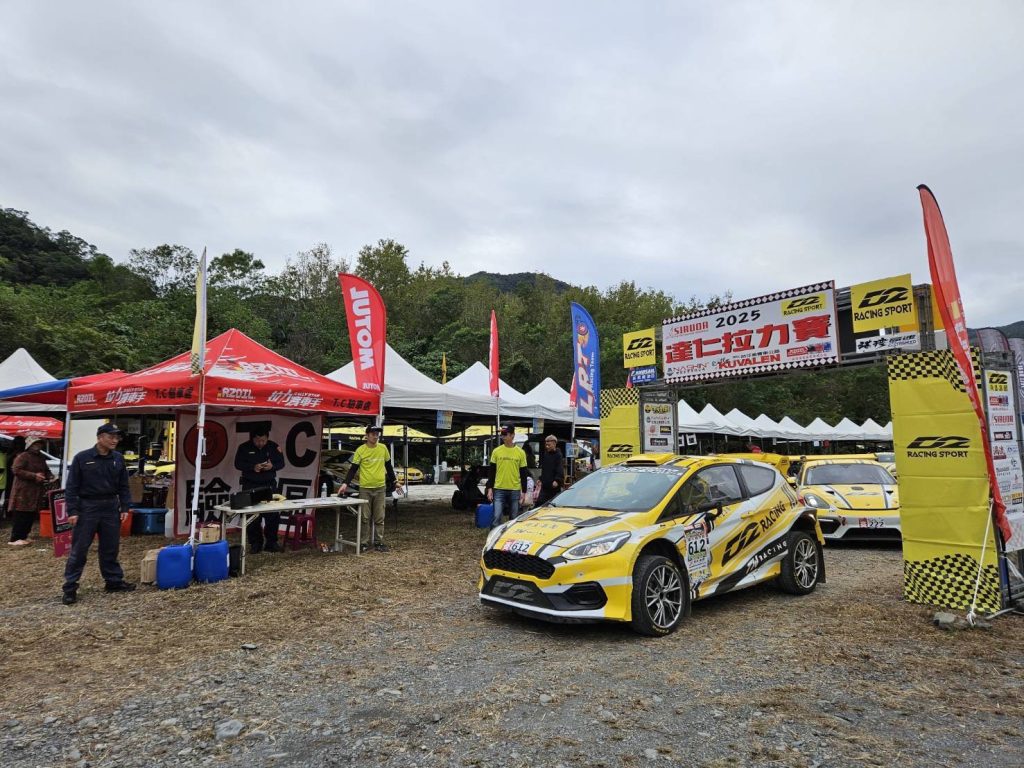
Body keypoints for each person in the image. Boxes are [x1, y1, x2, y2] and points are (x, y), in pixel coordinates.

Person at [61, 424, 135, 605]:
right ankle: (70, 587)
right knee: (80, 548)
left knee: (110, 547)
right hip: (87, 507)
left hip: (110, 506)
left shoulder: (118, 459)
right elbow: (71, 487)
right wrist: (72, 510)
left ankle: (113, 581)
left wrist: (125, 507)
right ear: (100, 437)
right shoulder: (82, 458)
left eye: (117, 437)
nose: (115, 441)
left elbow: (124, 486)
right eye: (111, 437)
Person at [338, 425, 402, 552]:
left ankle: (379, 542)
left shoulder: (383, 448)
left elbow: (388, 467)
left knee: (380, 517)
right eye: (373, 434)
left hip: (380, 488)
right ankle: (364, 543)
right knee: (364, 517)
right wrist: (345, 484)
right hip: (365, 489)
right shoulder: (360, 450)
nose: (376, 436)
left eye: (377, 434)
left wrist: (395, 481)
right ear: (366, 435)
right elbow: (353, 469)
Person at [233, 426, 286, 553]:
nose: (261, 443)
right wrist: (253, 467)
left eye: (263, 440)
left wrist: (272, 466)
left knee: (272, 515)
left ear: (267, 438)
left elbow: (281, 463)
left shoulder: (273, 447)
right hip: (250, 485)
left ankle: (271, 543)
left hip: (269, 485)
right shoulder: (244, 447)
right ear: (253, 438)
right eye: (258, 440)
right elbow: (238, 464)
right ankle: (255, 544)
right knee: (252, 516)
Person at [8, 434, 54, 546]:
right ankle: (15, 538)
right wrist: (34, 475)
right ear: (29, 445)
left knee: (30, 513)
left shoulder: (40, 457)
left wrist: (50, 476)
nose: (38, 446)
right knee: (21, 513)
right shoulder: (23, 456)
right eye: (35, 444)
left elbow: (46, 470)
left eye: (39, 444)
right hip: (23, 490)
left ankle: (24, 536)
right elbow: (16, 470)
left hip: (35, 490)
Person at [485, 424, 528, 527]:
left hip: (515, 489)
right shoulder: (496, 451)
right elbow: (492, 472)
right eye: (501, 434)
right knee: (496, 517)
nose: (502, 436)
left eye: (505, 434)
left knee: (513, 518)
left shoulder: (521, 453)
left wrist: (524, 491)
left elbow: (523, 473)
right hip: (499, 488)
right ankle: (494, 536)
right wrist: (490, 488)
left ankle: (510, 536)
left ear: (512, 435)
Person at [536, 435, 565, 507]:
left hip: (553, 486)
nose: (547, 447)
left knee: (552, 505)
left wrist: (557, 480)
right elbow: (544, 469)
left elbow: (560, 469)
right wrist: (540, 478)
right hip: (545, 485)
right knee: (539, 503)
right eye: (546, 445)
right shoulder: (546, 454)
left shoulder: (558, 455)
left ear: (554, 443)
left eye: (549, 445)